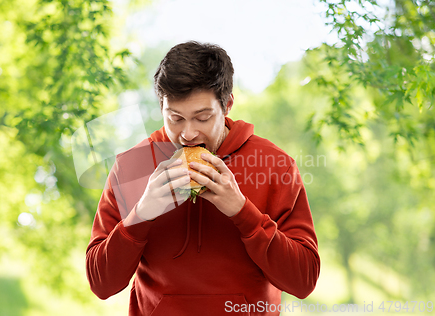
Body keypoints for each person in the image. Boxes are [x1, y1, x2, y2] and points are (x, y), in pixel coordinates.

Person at [86, 41, 320, 316]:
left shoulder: (275, 164)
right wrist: (140, 216)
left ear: (227, 105)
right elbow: (101, 284)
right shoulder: (131, 166)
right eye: (175, 118)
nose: (187, 134)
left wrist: (242, 212)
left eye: (202, 118)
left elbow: (303, 281)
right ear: (162, 106)